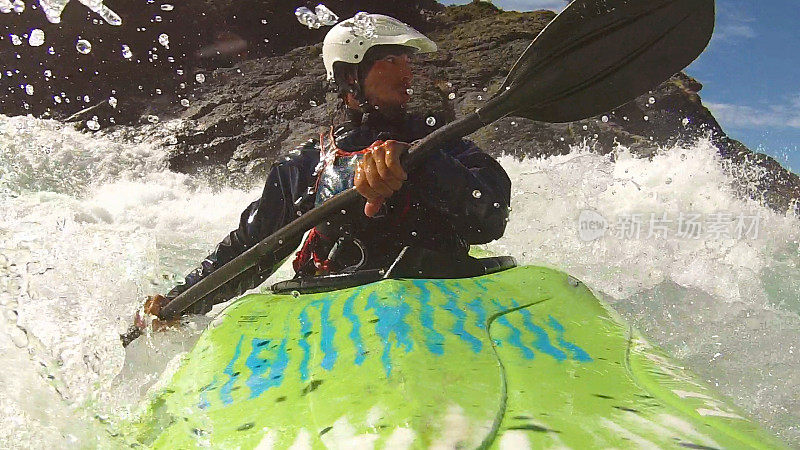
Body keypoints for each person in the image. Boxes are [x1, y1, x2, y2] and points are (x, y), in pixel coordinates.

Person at [137, 13, 511, 328]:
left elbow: (492, 218)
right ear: (351, 76)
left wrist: (422, 163)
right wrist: (179, 301)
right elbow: (252, 248)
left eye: (407, 60)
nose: (408, 72)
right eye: (392, 60)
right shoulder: (306, 164)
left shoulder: (441, 143)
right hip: (339, 314)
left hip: (448, 299)